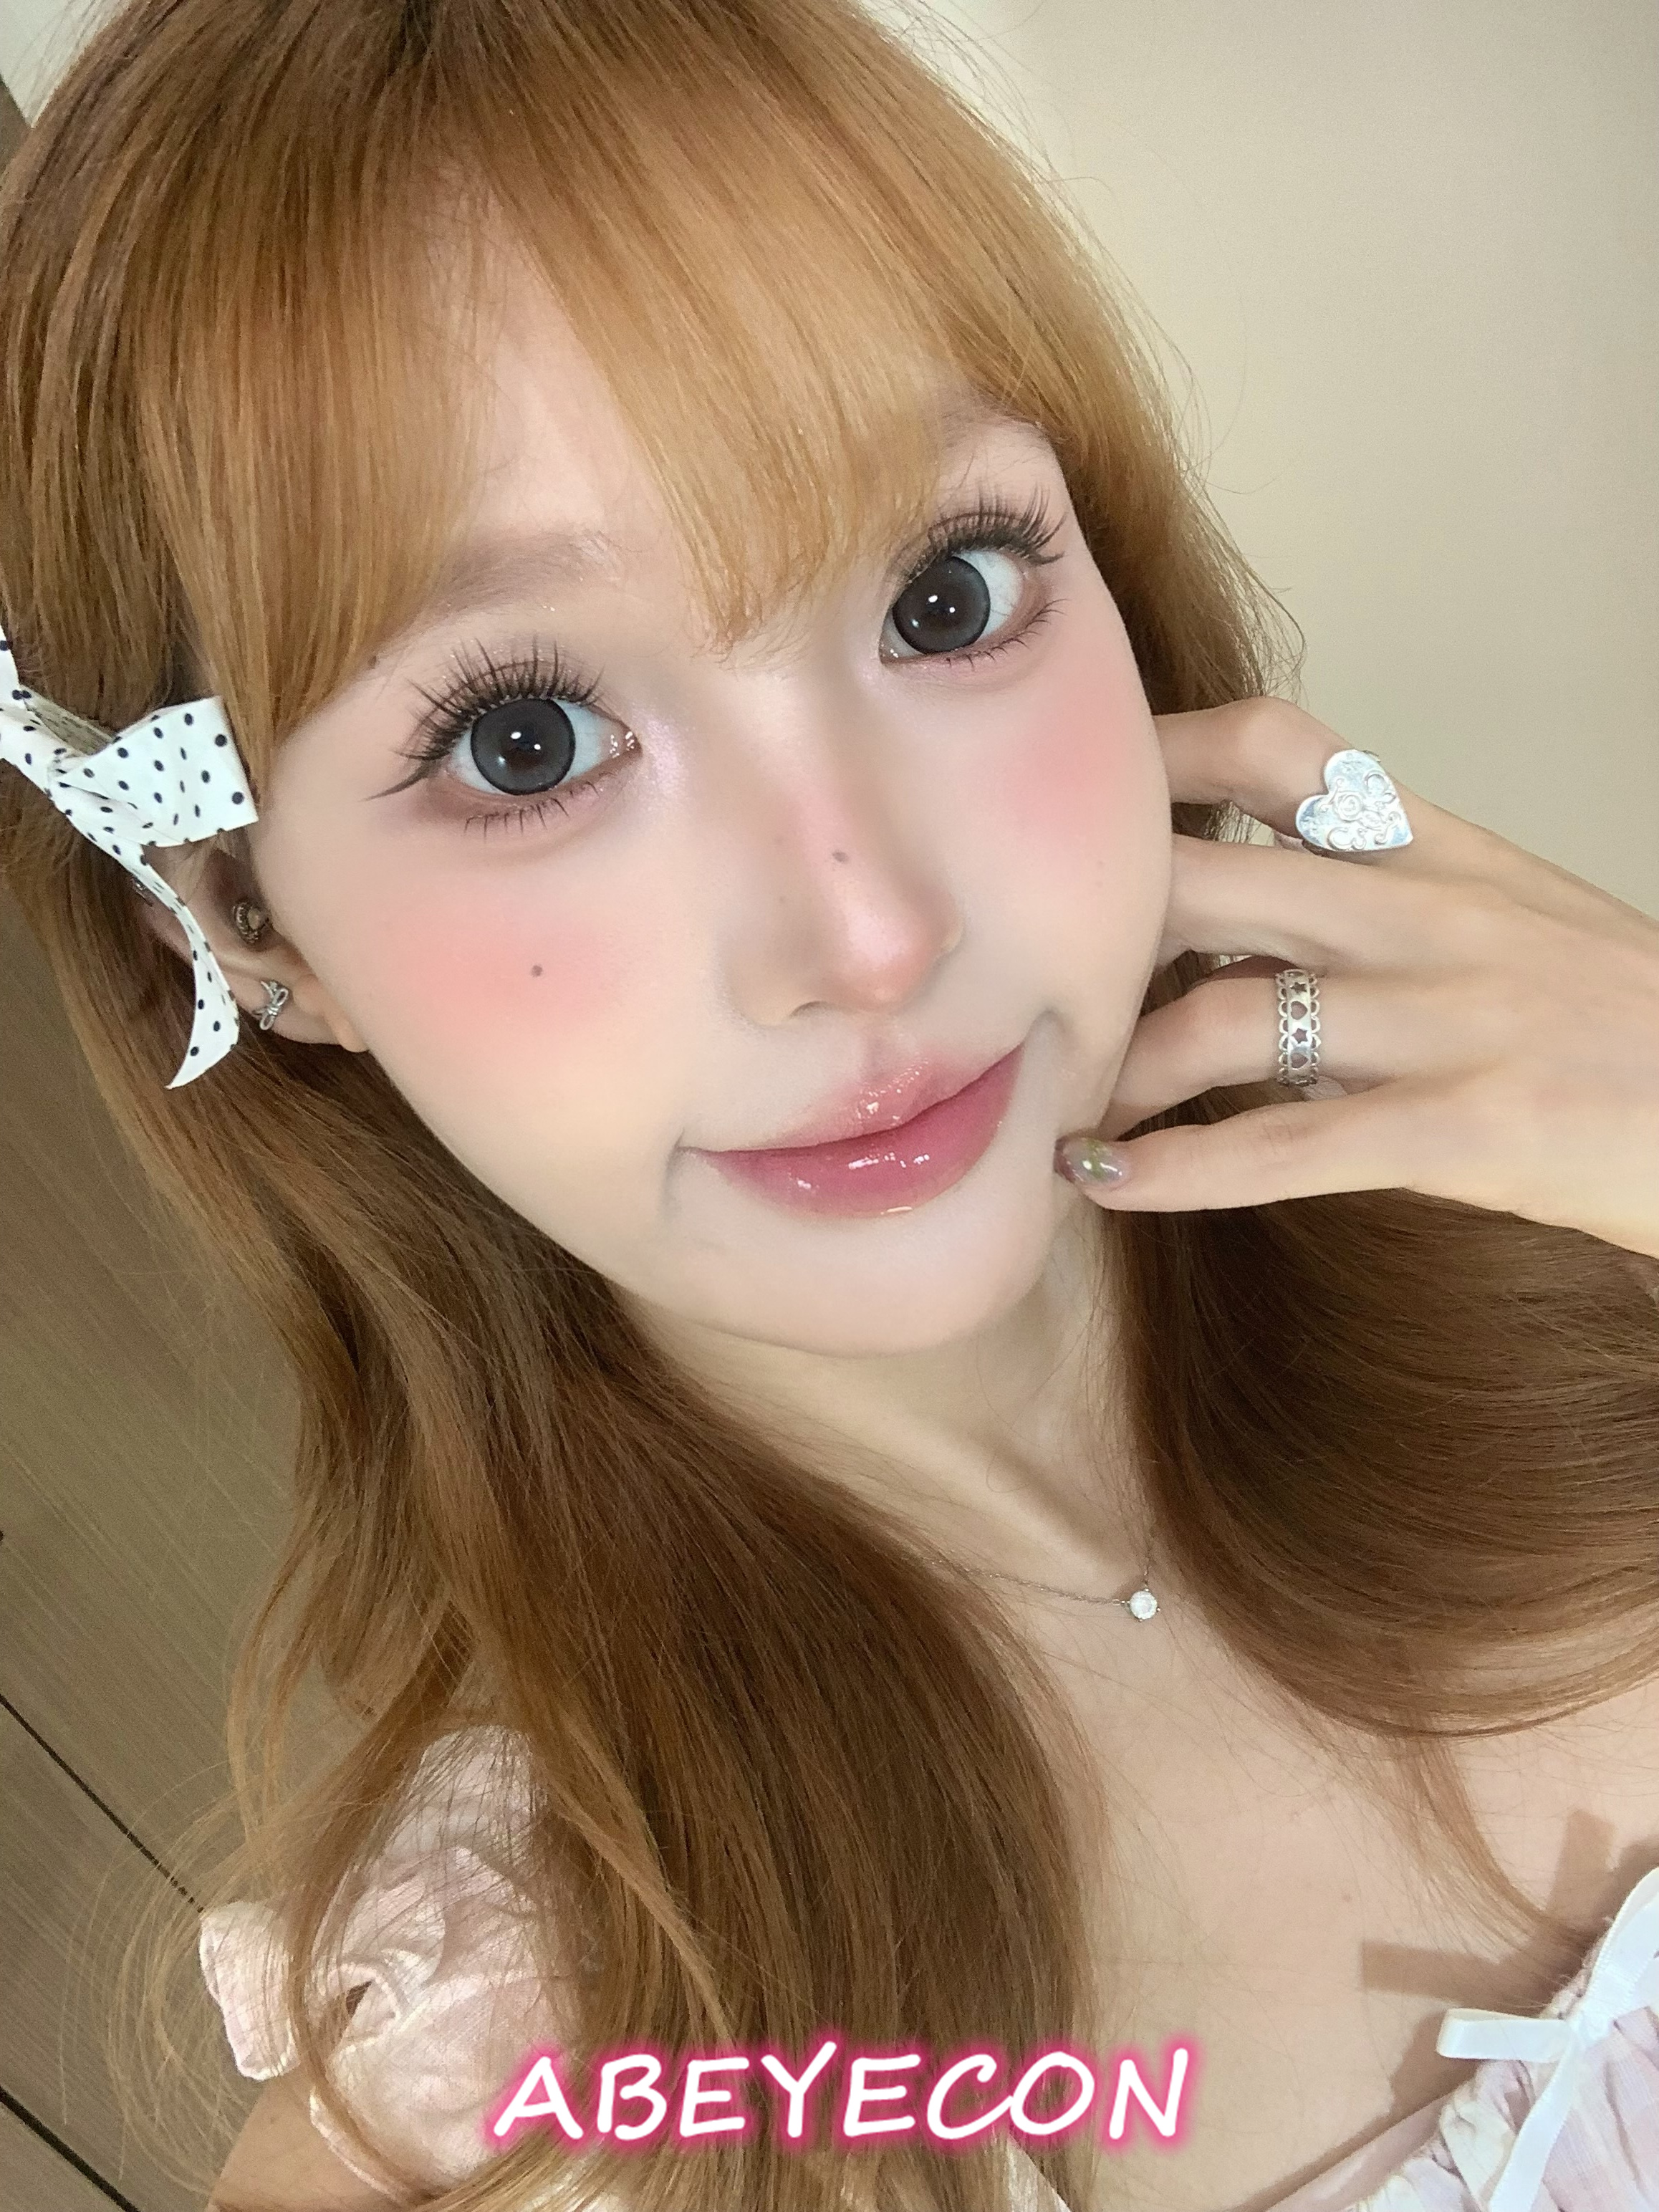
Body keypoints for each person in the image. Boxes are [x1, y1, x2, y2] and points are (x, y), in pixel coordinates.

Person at [2, 1, 1658, 2207]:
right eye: (521, 740)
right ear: (236, 925)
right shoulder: (551, 2087)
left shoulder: (1592, 1213)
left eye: (942, 596)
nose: (866, 935)